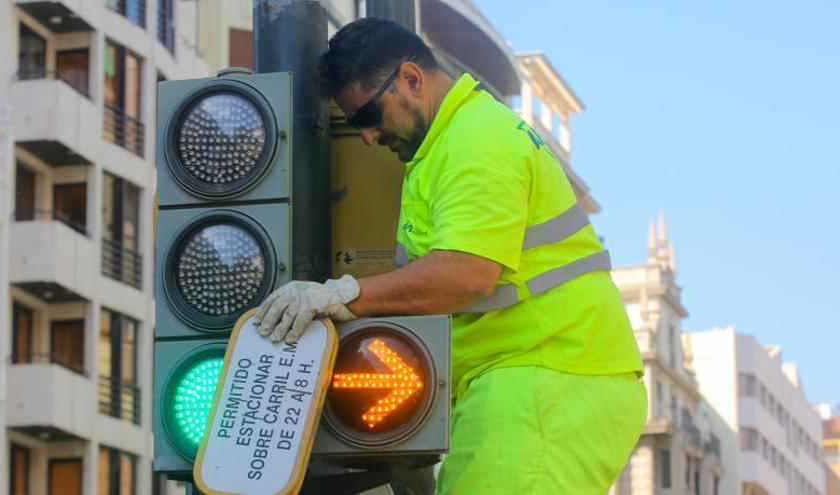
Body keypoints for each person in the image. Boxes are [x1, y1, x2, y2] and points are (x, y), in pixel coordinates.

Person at [252, 18, 647, 494]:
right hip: (532, 381)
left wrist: (341, 294)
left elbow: (466, 274)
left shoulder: (475, 142)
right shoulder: (449, 146)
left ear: (411, 79)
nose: (368, 137)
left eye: (367, 117)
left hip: (546, 379)